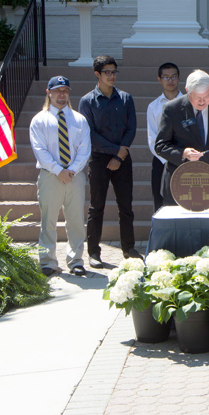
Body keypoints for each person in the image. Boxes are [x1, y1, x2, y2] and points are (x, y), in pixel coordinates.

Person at [78, 55, 141, 268]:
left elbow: (131, 128)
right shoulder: (87, 101)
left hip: (123, 159)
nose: (112, 76)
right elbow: (90, 133)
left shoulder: (125, 98)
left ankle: (128, 248)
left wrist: (120, 156)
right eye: (107, 72)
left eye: (114, 72)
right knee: (96, 207)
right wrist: (116, 151)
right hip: (99, 159)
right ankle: (94, 252)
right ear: (97, 74)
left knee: (126, 206)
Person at [29, 76, 91, 277]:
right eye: (57, 91)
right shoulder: (39, 120)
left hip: (75, 176)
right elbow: (40, 150)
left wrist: (71, 170)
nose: (62, 95)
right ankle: (47, 261)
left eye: (65, 90)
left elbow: (84, 149)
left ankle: (76, 261)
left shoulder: (79, 119)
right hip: (50, 176)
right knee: (48, 220)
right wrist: (58, 170)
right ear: (49, 93)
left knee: (75, 220)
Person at [155, 69, 209, 204]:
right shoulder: (172, 109)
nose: (202, 101)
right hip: (180, 182)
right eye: (197, 97)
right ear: (188, 91)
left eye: (206, 97)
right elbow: (160, 146)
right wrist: (183, 153)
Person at [147, 62, 183, 212]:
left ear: (179, 78)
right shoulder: (153, 106)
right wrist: (167, 158)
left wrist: (182, 157)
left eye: (173, 76)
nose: (170, 80)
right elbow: (152, 138)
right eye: (166, 77)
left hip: (185, 160)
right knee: (161, 202)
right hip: (162, 162)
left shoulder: (190, 103)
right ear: (159, 79)